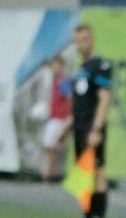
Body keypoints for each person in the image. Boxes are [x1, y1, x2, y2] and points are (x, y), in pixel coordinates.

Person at [69, 24, 112, 218]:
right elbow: (79, 103)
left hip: (92, 129)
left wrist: (96, 129)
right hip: (79, 128)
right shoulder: (81, 69)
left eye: (85, 39)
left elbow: (105, 99)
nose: (81, 44)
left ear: (92, 39)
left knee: (98, 176)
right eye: (78, 40)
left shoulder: (100, 65)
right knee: (85, 179)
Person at [41, 55, 72, 183]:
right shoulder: (54, 81)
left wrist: (69, 118)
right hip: (54, 117)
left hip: (59, 119)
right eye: (52, 65)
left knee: (51, 145)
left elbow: (70, 99)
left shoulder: (62, 82)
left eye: (56, 65)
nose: (54, 68)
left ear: (62, 66)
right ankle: (53, 172)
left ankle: (50, 172)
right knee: (51, 147)